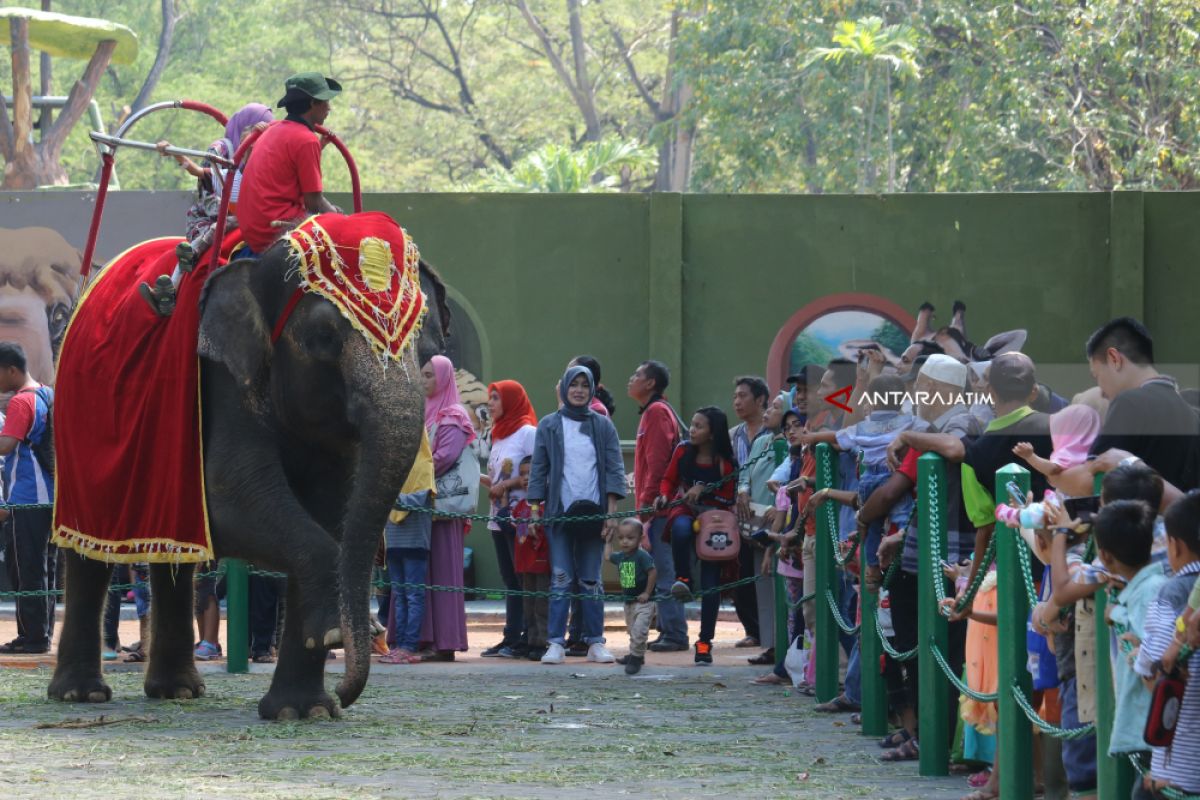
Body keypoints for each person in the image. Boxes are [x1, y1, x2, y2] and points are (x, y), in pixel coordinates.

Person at [528, 365, 626, 665]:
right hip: (559, 514)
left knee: (591, 579)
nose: (579, 390)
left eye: (585, 385)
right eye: (574, 384)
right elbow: (539, 468)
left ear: (592, 389)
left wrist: (611, 515)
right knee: (560, 578)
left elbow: (613, 469)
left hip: (594, 515)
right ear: (565, 388)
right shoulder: (549, 424)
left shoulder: (603, 426)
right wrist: (534, 510)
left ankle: (595, 641)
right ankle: (555, 643)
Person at [138, 103, 274, 315]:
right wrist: (177, 155)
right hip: (216, 219)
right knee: (212, 232)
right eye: (247, 146)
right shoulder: (227, 172)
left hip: (247, 221)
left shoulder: (266, 170)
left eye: (255, 146)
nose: (250, 151)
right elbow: (199, 172)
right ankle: (174, 283)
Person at [1059, 318, 1200, 496]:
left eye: (1097, 376)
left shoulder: (1130, 402)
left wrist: (1053, 474)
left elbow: (1090, 482)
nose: (1101, 392)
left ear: (1114, 358)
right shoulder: (1188, 411)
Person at [1093, 500, 1166, 797]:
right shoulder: (1143, 587)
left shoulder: (1150, 590)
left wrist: (1116, 614)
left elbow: (1145, 645)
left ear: (1104, 556)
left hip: (1154, 720)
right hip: (1149, 721)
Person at [656, 405, 737, 665]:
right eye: (692, 424)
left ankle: (704, 642)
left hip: (714, 520)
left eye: (699, 426)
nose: (692, 429)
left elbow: (729, 495)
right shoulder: (682, 451)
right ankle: (684, 579)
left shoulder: (725, 462)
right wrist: (665, 496)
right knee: (679, 529)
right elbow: (668, 480)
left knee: (712, 586)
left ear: (713, 434)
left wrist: (704, 490)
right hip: (685, 509)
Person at [1134, 491, 1200, 795]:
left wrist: (1138, 652)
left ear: (1175, 545)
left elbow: (1154, 669)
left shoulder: (1171, 594)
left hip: (1181, 763)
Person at [235, 72, 343, 258]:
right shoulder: (306, 139)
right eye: (325, 101)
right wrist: (341, 219)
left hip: (254, 232)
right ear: (312, 104)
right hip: (277, 231)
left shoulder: (271, 130)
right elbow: (314, 202)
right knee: (342, 230)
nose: (329, 107)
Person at [628, 360, 689, 653]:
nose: (631, 379)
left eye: (637, 374)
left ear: (651, 383)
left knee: (664, 572)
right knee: (661, 570)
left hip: (661, 511)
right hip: (657, 509)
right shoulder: (655, 412)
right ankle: (669, 628)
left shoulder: (656, 413)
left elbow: (658, 464)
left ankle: (675, 634)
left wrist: (647, 510)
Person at [417, 355, 476, 661]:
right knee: (422, 570)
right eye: (423, 374)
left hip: (442, 504)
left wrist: (412, 471)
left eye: (429, 375)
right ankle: (424, 637)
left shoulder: (452, 415)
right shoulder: (425, 411)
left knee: (441, 570)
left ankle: (444, 642)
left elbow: (444, 457)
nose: (424, 380)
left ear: (442, 378)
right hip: (422, 503)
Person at [0, 342, 55, 654]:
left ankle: (32, 638)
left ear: (11, 370)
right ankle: (39, 634)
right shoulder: (47, 393)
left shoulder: (22, 402)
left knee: (26, 569)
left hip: (27, 497)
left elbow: (6, 445)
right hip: (49, 497)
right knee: (42, 567)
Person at [479, 379, 538, 659]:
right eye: (490, 398)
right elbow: (496, 479)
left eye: (496, 398)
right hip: (498, 517)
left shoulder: (527, 432)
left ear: (511, 401)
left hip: (521, 518)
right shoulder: (498, 434)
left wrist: (506, 486)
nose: (490, 403)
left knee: (522, 577)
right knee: (509, 579)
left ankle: (528, 635)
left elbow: (534, 475)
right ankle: (510, 636)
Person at [738, 392, 788, 664]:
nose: (768, 412)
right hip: (756, 521)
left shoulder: (790, 445)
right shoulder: (761, 442)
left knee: (783, 584)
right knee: (763, 583)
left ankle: (786, 644)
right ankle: (770, 644)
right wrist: (743, 490)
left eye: (776, 408)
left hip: (779, 522)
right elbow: (745, 471)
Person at [380, 431, 436, 664]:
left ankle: (409, 646)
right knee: (399, 594)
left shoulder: (424, 466)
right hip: (393, 541)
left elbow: (415, 500)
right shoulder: (393, 466)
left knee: (413, 594)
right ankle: (398, 644)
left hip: (414, 543)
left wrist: (387, 494)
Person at [729, 375, 770, 650]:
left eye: (743, 396)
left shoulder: (774, 432)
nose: (737, 401)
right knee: (739, 569)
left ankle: (771, 630)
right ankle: (752, 629)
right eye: (735, 396)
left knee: (765, 567)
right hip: (738, 511)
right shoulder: (733, 435)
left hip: (767, 510)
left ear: (760, 400)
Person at [607, 518, 657, 675]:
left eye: (630, 538)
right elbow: (608, 557)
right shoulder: (621, 556)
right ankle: (636, 654)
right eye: (621, 538)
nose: (625, 542)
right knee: (632, 630)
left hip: (644, 602)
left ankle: (636, 658)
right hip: (629, 602)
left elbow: (653, 572)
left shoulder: (642, 556)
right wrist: (608, 541)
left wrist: (647, 593)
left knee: (639, 631)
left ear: (640, 538)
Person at [512, 458, 550, 661]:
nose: (527, 478)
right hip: (525, 564)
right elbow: (519, 534)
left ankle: (542, 642)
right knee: (529, 603)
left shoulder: (547, 506)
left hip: (542, 563)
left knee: (542, 604)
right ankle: (531, 640)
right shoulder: (519, 506)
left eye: (532, 474)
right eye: (523, 474)